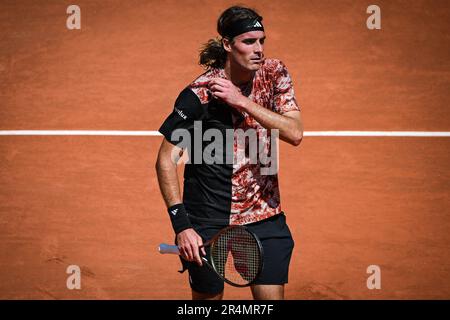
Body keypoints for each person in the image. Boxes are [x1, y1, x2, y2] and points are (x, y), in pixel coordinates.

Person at [155, 5, 303, 300]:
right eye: (249, 42)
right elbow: (165, 160)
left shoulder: (274, 74)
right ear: (226, 44)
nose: (258, 49)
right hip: (209, 217)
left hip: (263, 212)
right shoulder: (199, 95)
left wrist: (242, 101)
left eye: (261, 41)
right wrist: (183, 227)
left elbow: (295, 133)